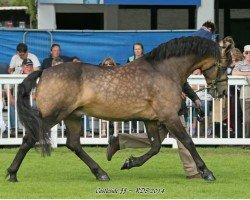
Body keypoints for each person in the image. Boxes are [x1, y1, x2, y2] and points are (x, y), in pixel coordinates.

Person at [107, 82, 203, 179]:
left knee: (153, 140)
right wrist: (176, 92)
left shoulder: (172, 69)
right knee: (184, 140)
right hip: (169, 112)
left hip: (167, 111)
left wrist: (195, 98)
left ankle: (118, 141)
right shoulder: (164, 69)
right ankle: (192, 172)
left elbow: (183, 83)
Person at [6, 58, 35, 136]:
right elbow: (7, 86)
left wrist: (31, 98)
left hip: (31, 100)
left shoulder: (35, 76)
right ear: (22, 67)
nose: (29, 68)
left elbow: (37, 92)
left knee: (35, 104)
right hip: (17, 100)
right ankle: (13, 129)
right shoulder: (16, 74)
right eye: (26, 66)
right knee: (11, 104)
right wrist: (10, 97)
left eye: (30, 66)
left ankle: (32, 129)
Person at [232, 45, 250, 138]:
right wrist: (248, 74)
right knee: (247, 120)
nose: (248, 55)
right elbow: (234, 73)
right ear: (244, 54)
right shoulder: (239, 64)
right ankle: (246, 140)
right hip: (245, 95)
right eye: (247, 53)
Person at [127, 43, 144, 133]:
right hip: (133, 86)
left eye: (139, 49)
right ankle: (135, 128)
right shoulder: (130, 59)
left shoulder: (146, 59)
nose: (137, 51)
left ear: (142, 50)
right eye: (135, 49)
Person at [100, 57, 119, 137]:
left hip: (115, 97)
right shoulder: (100, 75)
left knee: (117, 112)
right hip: (104, 97)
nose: (108, 65)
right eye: (106, 64)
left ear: (113, 65)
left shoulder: (117, 74)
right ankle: (103, 131)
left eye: (110, 64)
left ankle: (116, 131)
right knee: (102, 111)